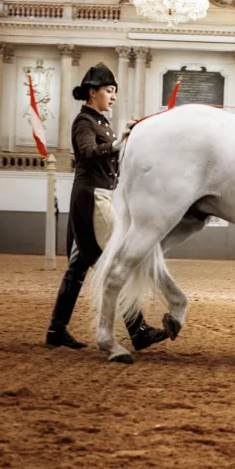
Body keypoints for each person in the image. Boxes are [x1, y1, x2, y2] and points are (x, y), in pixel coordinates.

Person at [46, 62, 168, 351]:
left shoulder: (102, 122)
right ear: (92, 92)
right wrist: (117, 144)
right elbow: (88, 153)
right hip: (92, 197)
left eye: (114, 92)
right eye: (109, 91)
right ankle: (137, 330)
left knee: (77, 267)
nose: (113, 96)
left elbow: (113, 157)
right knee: (117, 263)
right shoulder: (84, 122)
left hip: (97, 195)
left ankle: (56, 329)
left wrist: (131, 138)